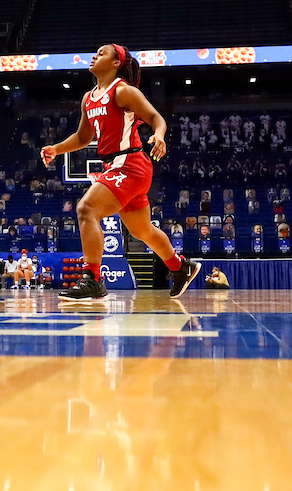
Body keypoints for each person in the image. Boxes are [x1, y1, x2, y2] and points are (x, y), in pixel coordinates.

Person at [41, 43, 198, 300]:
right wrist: (57, 149)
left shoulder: (123, 91)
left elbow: (157, 118)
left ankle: (92, 279)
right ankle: (180, 267)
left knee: (86, 209)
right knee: (141, 230)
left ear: (116, 63)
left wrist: (159, 136)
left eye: (101, 53)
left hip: (129, 164)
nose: (94, 55)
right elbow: (83, 137)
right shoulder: (88, 97)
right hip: (115, 165)